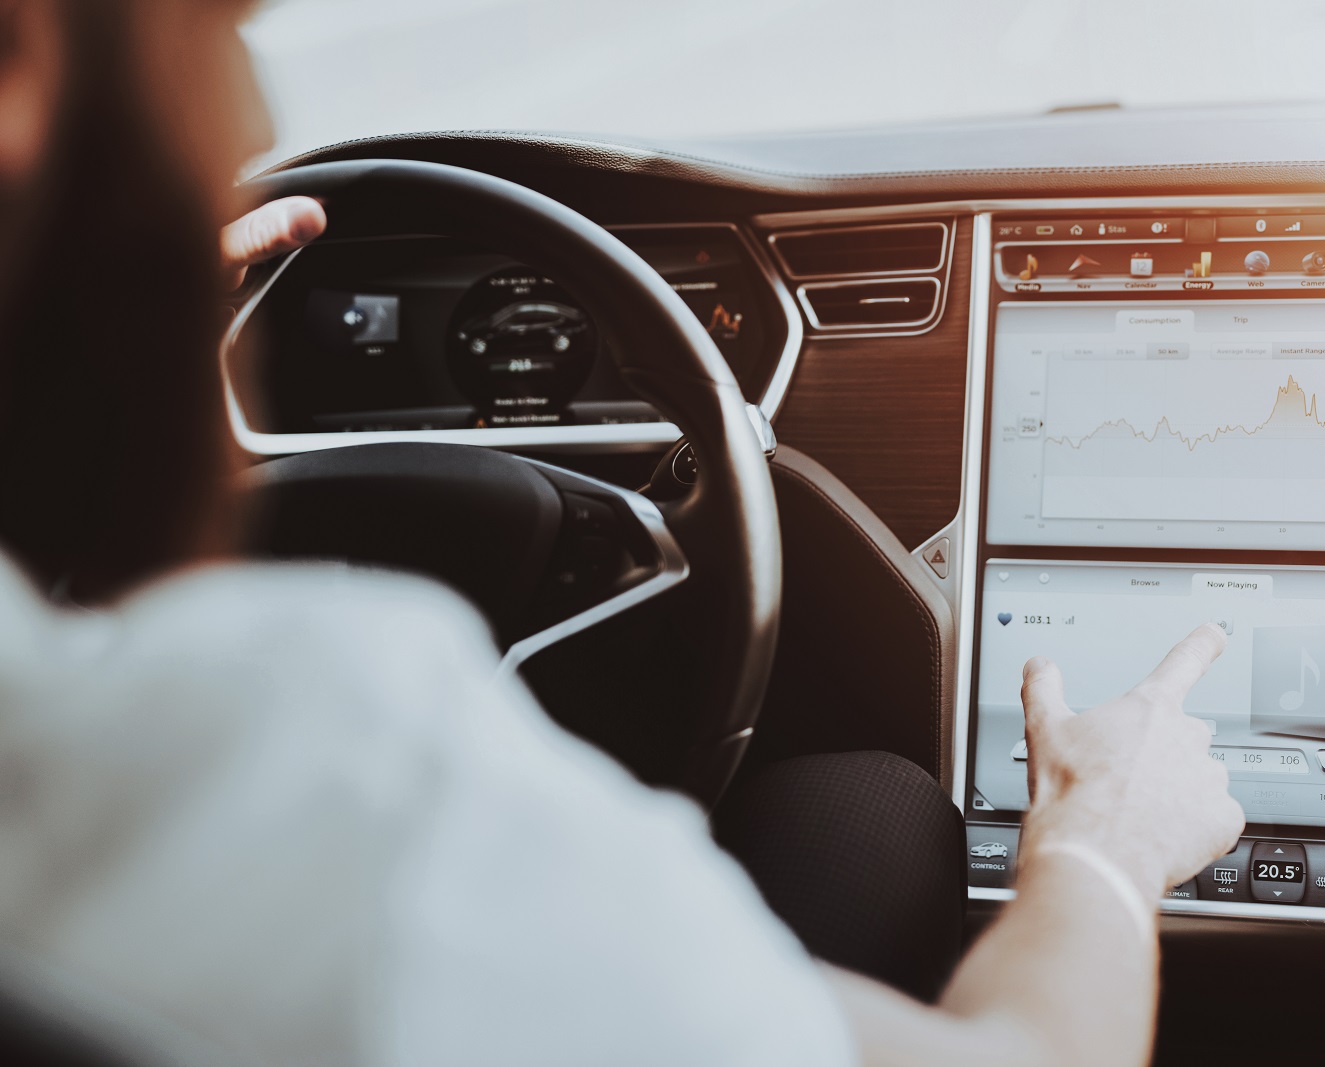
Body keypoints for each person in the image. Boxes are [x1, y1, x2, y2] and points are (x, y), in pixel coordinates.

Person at [0, 2, 1245, 1065]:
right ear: (27, 63)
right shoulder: (348, 771)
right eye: (212, 25)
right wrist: (1100, 841)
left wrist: (67, 349)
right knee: (864, 805)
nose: (258, 126)